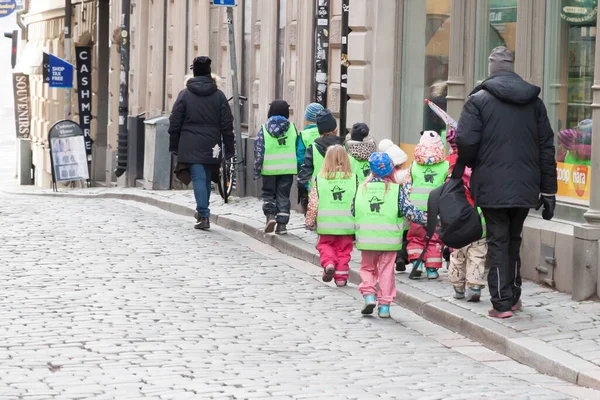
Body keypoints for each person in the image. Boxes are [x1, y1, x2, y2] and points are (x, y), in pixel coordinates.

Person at [456, 46, 557, 318]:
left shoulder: (477, 100)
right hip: (526, 186)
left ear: (491, 69)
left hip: (491, 184)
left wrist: (466, 166)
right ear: (512, 68)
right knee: (513, 239)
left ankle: (501, 302)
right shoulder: (534, 102)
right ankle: (513, 297)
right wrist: (549, 191)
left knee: (498, 241)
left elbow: (466, 142)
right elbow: (547, 147)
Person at [355, 152, 426, 318]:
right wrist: (429, 220)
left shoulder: (361, 188)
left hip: (367, 237)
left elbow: (353, 209)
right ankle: (385, 306)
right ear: (391, 170)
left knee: (368, 267)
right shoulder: (396, 190)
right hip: (389, 238)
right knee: (386, 270)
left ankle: (369, 295)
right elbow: (409, 212)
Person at [169, 56, 234, 230]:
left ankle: (203, 214)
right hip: (213, 143)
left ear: (194, 72)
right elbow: (227, 123)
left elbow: (175, 121)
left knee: (199, 177)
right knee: (205, 177)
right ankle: (203, 212)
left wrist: (174, 144)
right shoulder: (219, 96)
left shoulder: (184, 94)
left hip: (190, 143)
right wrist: (229, 146)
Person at [305, 145, 357, 287]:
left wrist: (309, 221)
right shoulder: (354, 179)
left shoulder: (320, 180)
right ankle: (341, 278)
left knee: (325, 245)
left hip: (326, 224)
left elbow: (313, 204)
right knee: (344, 250)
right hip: (347, 224)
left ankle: (328, 263)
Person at [404, 130, 449, 279]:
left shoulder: (414, 165)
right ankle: (432, 270)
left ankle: (418, 263)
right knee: (435, 238)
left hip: (416, 209)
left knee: (417, 237)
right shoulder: (445, 165)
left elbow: (407, 185)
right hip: (437, 209)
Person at [253, 99, 299, 235]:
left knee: (269, 194)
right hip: (288, 169)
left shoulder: (264, 129)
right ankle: (282, 225)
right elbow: (297, 146)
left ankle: (270, 217)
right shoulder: (292, 128)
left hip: (269, 169)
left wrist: (257, 169)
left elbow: (258, 150)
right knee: (283, 195)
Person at [378, 139, 410, 272]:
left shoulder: (385, 177)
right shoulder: (405, 175)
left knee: (393, 235)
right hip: (403, 211)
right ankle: (401, 257)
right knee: (404, 236)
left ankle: (393, 257)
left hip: (389, 211)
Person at [297, 109, 344, 195]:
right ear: (335, 130)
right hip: (340, 198)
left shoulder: (313, 149)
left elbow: (303, 178)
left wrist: (306, 195)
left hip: (317, 196)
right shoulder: (344, 149)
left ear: (319, 131)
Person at [298, 103, 325, 213]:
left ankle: (309, 218)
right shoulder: (325, 132)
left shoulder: (304, 134)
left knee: (309, 199)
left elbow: (300, 157)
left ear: (307, 118)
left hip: (308, 177)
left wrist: (300, 171)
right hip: (324, 174)